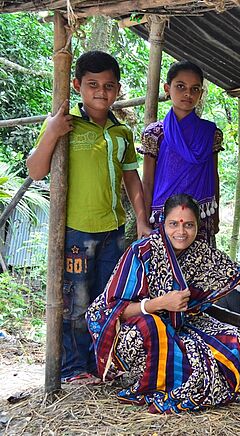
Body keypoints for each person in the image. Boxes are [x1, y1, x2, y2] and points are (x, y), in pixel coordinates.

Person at [86, 194, 240, 413]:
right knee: (151, 327)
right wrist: (160, 303)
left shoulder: (203, 254)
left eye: (189, 225)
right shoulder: (141, 251)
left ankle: (189, 380)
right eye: (173, 224)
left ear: (197, 226)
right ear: (163, 223)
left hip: (182, 325)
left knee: (232, 336)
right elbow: (114, 310)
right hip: (137, 330)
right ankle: (158, 382)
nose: (181, 232)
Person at [26, 51, 150, 384]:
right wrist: (52, 132)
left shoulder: (120, 132)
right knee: (75, 305)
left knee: (105, 302)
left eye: (109, 86)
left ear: (118, 89)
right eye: (92, 84)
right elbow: (36, 171)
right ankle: (72, 369)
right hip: (76, 233)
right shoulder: (64, 124)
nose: (101, 92)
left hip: (112, 232)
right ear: (78, 85)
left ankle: (100, 365)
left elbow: (131, 180)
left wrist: (141, 219)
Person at [140, 60, 223, 245]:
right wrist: (143, 220)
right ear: (167, 88)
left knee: (200, 270)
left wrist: (216, 214)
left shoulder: (211, 133)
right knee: (166, 270)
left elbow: (213, 175)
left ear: (201, 93)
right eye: (180, 86)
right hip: (164, 217)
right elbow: (147, 181)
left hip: (201, 215)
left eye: (195, 89)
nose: (188, 93)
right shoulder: (155, 133)